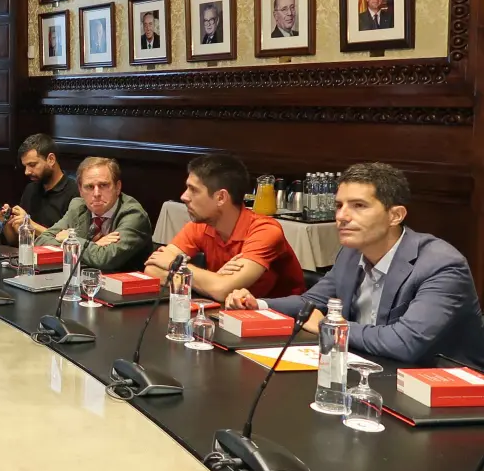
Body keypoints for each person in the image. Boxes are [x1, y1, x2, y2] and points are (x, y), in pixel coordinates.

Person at [227, 163, 484, 367]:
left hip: (441, 390)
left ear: (395, 215)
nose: (342, 216)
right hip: (369, 369)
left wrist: (329, 327)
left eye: (359, 206)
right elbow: (311, 302)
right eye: (339, 206)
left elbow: (404, 342)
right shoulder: (351, 253)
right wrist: (258, 304)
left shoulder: (441, 265)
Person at [144, 154, 304, 302]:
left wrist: (176, 265)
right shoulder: (199, 225)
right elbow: (152, 269)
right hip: (226, 312)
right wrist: (213, 280)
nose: (184, 196)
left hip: (279, 316)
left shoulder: (265, 230)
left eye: (193, 190)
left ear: (221, 197)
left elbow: (221, 290)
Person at [36, 157, 153, 273]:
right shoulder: (78, 207)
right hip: (83, 278)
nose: (96, 194)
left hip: (123, 282)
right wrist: (94, 246)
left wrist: (70, 240)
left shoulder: (134, 214)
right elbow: (42, 241)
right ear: (80, 190)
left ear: (117, 187)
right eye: (89, 187)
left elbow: (105, 259)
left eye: (103, 185)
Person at [0, 134, 78, 245]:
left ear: (51, 159)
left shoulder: (75, 192)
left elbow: (70, 240)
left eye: (32, 165)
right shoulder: (31, 189)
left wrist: (31, 224)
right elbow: (14, 241)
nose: (26, 172)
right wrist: (6, 222)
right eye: (25, 166)